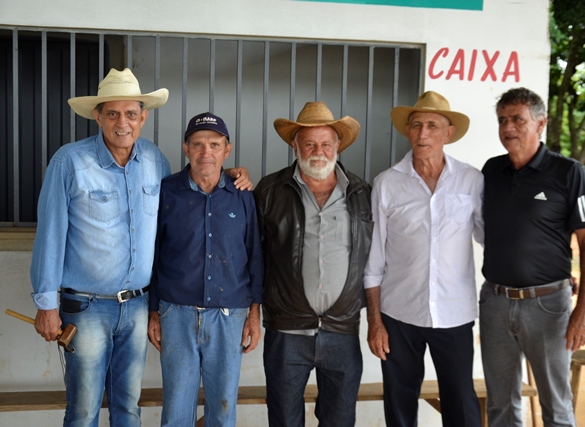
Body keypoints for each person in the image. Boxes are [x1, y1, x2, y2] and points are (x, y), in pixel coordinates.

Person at [29, 68, 250, 427]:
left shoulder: (154, 160)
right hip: (85, 308)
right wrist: (45, 304)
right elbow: (50, 234)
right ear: (97, 116)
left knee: (128, 407)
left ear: (143, 117)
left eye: (131, 114)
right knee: (84, 409)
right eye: (112, 113)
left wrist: (228, 175)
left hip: (136, 308)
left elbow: (188, 196)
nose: (122, 123)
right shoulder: (69, 162)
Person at [480, 87, 585, 427]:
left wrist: (584, 310)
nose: (508, 128)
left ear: (540, 124)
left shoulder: (568, 172)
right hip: (496, 303)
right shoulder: (491, 172)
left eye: (518, 119)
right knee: (501, 406)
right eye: (503, 120)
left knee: (556, 408)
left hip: (548, 306)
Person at [364, 91, 484, 427]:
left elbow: (492, 238)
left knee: (461, 402)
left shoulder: (471, 180)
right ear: (407, 131)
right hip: (398, 314)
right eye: (416, 125)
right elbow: (374, 260)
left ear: (448, 133)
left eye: (432, 125)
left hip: (455, 313)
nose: (423, 133)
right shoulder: (387, 184)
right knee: (400, 406)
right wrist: (375, 322)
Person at [253, 101, 373, 427]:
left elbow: (377, 262)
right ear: (295, 145)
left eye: (325, 143)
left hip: (343, 331)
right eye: (309, 143)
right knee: (284, 420)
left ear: (338, 146)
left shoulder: (363, 193)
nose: (317, 151)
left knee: (339, 421)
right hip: (286, 330)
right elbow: (253, 258)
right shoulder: (269, 191)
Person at [147, 112, 263, 427]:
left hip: (230, 316)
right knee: (176, 411)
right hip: (177, 314)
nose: (206, 152)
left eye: (214, 144)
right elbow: (154, 254)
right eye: (198, 144)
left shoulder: (243, 194)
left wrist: (255, 313)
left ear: (227, 149)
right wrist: (154, 311)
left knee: (222, 411)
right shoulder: (168, 191)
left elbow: (254, 255)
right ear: (186, 148)